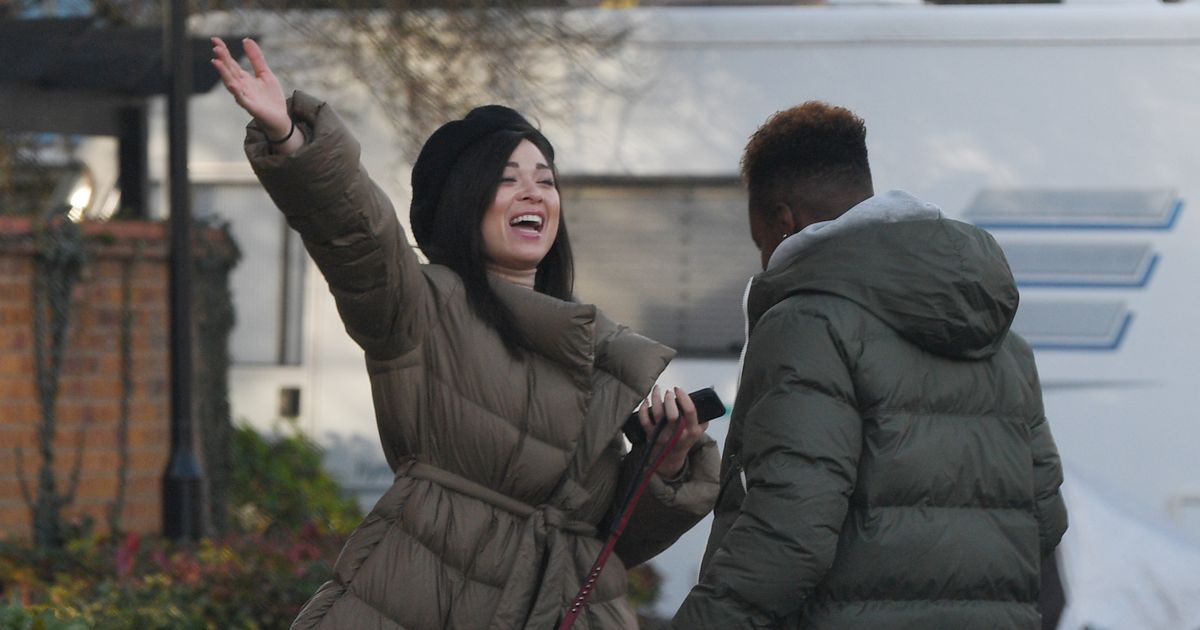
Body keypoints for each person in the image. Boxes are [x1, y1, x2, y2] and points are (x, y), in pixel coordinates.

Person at [210, 37, 720, 629]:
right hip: (425, 604)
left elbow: (605, 544)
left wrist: (668, 461)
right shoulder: (423, 307)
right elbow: (355, 234)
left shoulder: (591, 346)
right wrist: (292, 140)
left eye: (545, 180)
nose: (534, 193)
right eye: (507, 180)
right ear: (463, 203)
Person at [671, 102, 1068, 629]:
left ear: (784, 222)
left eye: (759, 239)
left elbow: (787, 537)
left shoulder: (804, 326)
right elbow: (1045, 519)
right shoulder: (1005, 343)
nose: (763, 257)